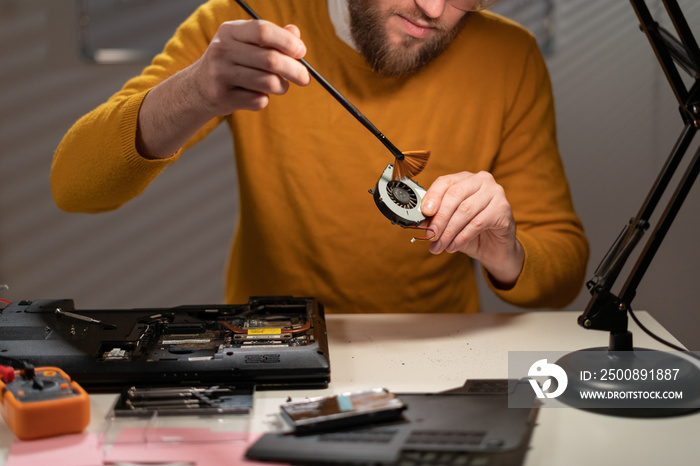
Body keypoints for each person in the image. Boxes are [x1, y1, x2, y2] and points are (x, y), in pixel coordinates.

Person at [51, 0, 589, 314]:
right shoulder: (250, 18)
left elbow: (563, 269)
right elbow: (74, 185)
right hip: (270, 348)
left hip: (436, 363)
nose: (433, 9)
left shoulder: (508, 55)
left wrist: (507, 252)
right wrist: (194, 91)